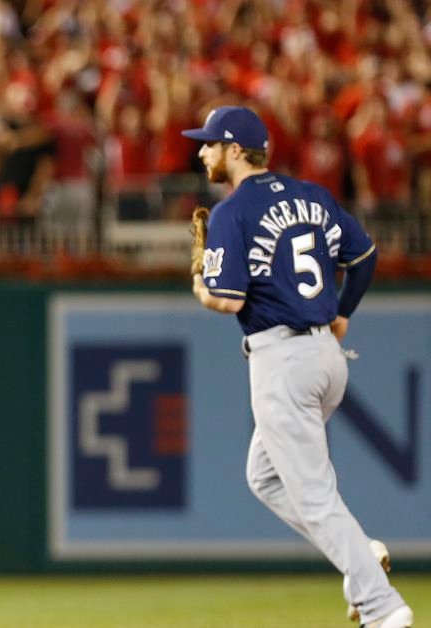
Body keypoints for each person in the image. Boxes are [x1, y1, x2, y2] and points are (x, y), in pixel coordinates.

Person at [184, 106, 413, 628]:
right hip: (327, 359)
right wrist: (342, 313)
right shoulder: (313, 195)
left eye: (210, 144)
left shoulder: (232, 211)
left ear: (235, 150)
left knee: (314, 497)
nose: (202, 152)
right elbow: (365, 256)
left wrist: (201, 287)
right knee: (263, 475)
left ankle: (383, 607)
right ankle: (360, 555)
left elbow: (227, 296)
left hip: (281, 361)